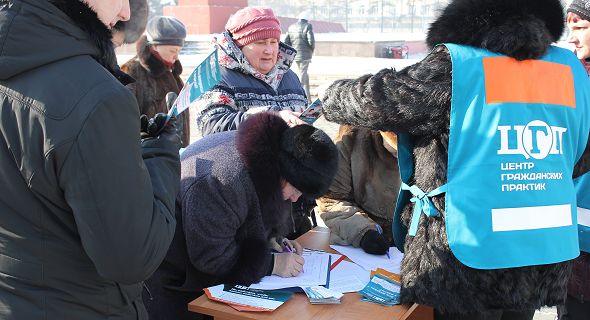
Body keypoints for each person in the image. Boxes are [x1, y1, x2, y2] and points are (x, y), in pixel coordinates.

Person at [319, 0, 590, 319]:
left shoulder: (459, 64)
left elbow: (381, 101)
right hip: (540, 250)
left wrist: (329, 94)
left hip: (468, 254)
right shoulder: (568, 69)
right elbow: (579, 158)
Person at [0, 0, 182, 319]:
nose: (126, 13)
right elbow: (132, 258)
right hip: (82, 305)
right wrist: (162, 153)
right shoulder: (96, 96)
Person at [143, 112, 338, 320]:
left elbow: (252, 214)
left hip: (202, 273)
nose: (296, 199)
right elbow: (211, 257)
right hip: (174, 278)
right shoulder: (223, 180)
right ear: (286, 172)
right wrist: (272, 265)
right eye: (297, 190)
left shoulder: (269, 164)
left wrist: (274, 241)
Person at [194, 6, 312, 238]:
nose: (269, 50)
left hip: (292, 204)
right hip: (243, 204)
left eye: (273, 42)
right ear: (239, 44)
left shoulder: (290, 77)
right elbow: (212, 127)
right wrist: (268, 119)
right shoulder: (217, 75)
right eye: (259, 43)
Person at [556, 2, 590, 319]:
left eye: (580, 26)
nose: (572, 38)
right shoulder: (565, 79)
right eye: (570, 28)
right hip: (575, 246)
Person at [317, 125, 399, 255]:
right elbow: (331, 200)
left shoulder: (437, 140)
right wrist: (363, 232)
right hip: (359, 243)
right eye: (395, 151)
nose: (399, 156)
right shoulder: (352, 138)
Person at [122, 15, 191, 147]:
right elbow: (122, 120)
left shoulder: (172, 73)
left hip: (175, 157)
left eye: (179, 51)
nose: (176, 56)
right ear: (154, 46)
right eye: (173, 50)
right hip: (148, 158)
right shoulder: (131, 72)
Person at [284, 11, 315, 101]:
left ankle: (308, 99)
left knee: (304, 74)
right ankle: (300, 92)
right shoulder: (308, 26)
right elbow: (311, 41)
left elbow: (286, 41)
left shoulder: (291, 27)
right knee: (303, 74)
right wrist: (311, 51)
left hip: (296, 54)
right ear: (307, 19)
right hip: (305, 55)